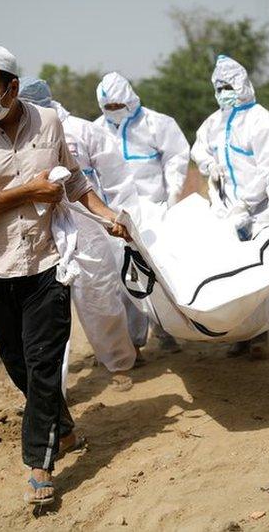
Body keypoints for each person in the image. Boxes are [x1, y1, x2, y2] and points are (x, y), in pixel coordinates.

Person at [0, 46, 128, 508]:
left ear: (11, 88)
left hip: (48, 262)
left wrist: (107, 216)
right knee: (18, 364)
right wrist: (26, 190)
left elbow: (75, 180)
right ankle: (61, 428)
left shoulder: (48, 123)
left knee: (44, 365)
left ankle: (39, 465)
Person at [17, 76, 140, 373]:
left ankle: (119, 360)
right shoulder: (16, 137)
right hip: (38, 228)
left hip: (86, 225)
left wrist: (117, 217)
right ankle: (50, 381)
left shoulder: (82, 130)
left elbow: (117, 178)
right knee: (43, 308)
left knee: (99, 294)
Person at [191, 54, 269, 359]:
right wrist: (208, 163)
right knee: (234, 271)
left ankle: (260, 335)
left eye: (229, 85)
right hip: (228, 209)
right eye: (219, 87)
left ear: (243, 84)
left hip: (260, 209)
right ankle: (241, 333)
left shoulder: (264, 121)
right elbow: (198, 146)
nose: (224, 93)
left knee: (261, 270)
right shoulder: (215, 121)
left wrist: (246, 205)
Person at [94, 71, 190, 352]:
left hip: (153, 211)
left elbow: (176, 157)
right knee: (126, 278)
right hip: (116, 216)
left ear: (131, 101)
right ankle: (133, 341)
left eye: (118, 106)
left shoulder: (157, 124)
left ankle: (167, 330)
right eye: (108, 108)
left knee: (161, 274)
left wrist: (173, 192)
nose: (114, 112)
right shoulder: (97, 130)